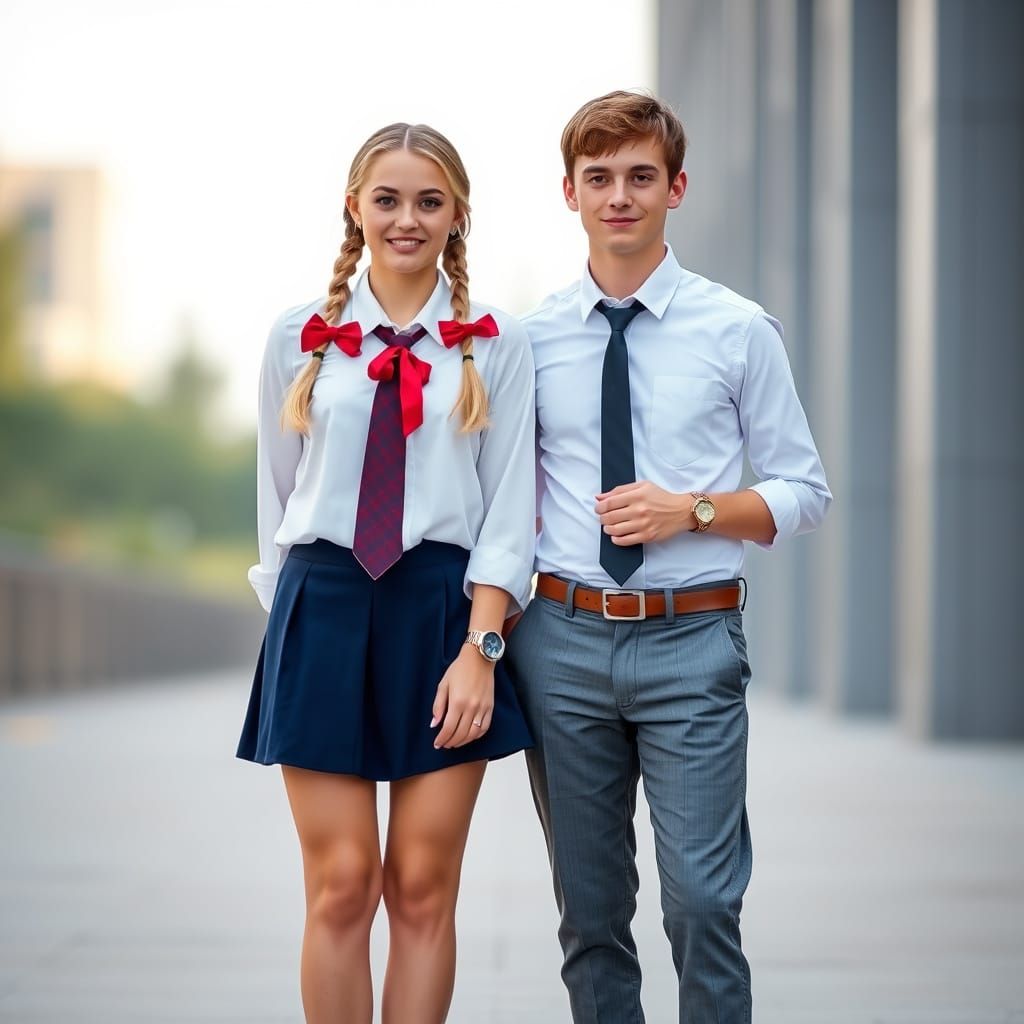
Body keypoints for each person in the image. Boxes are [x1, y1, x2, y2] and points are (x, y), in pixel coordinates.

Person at [506, 91, 832, 1023]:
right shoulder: (529, 341)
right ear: (568, 192)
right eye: (599, 178)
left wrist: (689, 510)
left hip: (691, 645)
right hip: (561, 643)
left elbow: (804, 492)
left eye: (640, 177)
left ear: (676, 188)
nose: (620, 196)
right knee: (593, 918)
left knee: (703, 906)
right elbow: (499, 504)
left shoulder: (737, 330)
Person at [236, 122, 535, 1024]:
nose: (407, 219)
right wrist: (292, 632)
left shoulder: (495, 344)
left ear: (459, 215)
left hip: (443, 616)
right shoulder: (302, 337)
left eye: (429, 201)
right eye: (389, 198)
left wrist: (481, 649)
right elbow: (277, 498)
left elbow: (509, 507)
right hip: (323, 606)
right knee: (341, 885)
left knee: (419, 887)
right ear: (354, 206)